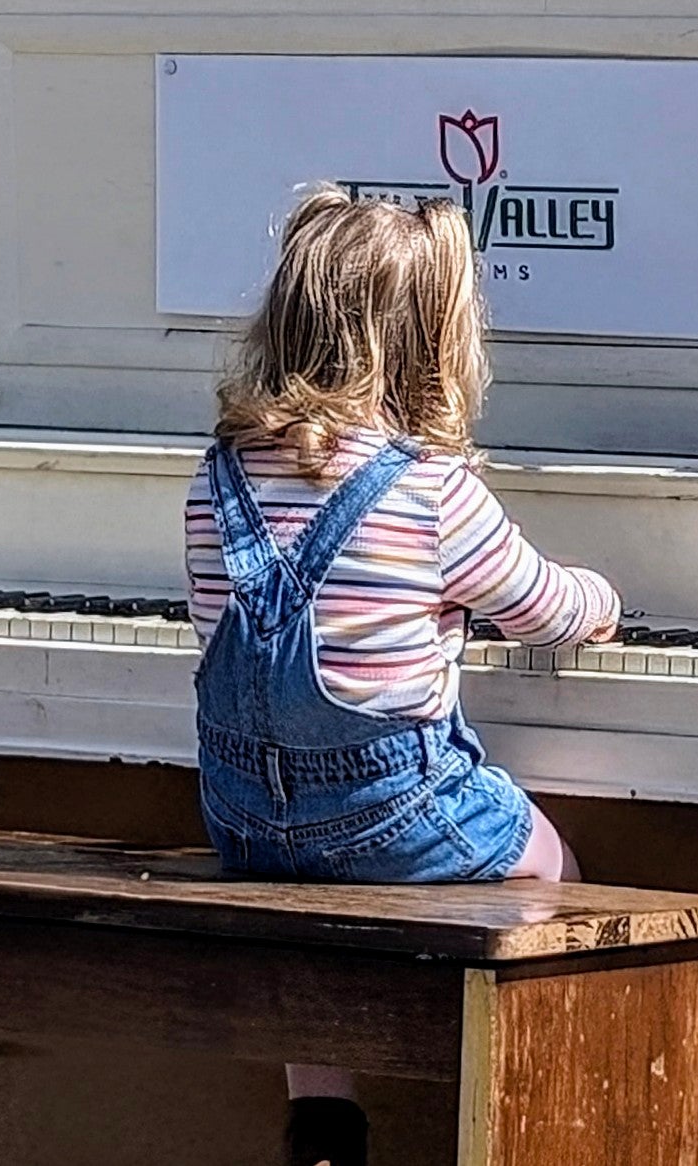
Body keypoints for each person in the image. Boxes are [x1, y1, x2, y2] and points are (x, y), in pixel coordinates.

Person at [186, 186, 620, 1166]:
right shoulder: (429, 488)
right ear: (430, 337)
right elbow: (542, 609)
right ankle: (533, 1118)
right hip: (395, 811)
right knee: (558, 873)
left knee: (304, 906)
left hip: (248, 816)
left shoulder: (216, 477)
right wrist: (601, 598)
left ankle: (325, 1125)